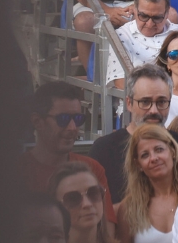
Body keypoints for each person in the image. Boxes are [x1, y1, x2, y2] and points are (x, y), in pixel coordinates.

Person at [89, 63, 178, 202]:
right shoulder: (104, 149)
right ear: (129, 103)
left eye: (161, 102)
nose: (154, 110)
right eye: (145, 102)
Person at [23, 82, 115, 216]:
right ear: (38, 121)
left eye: (77, 119)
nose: (72, 127)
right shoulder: (17, 173)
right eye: (63, 119)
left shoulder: (93, 169)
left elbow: (108, 232)